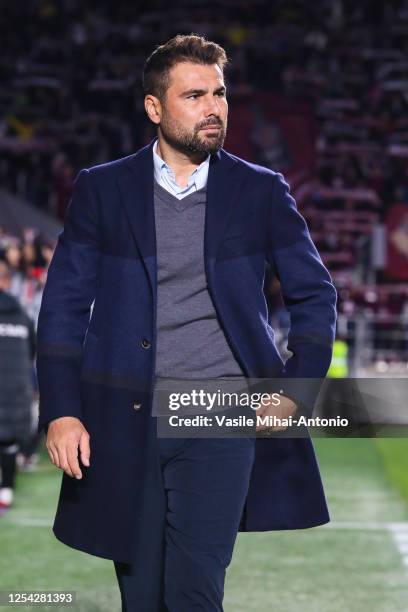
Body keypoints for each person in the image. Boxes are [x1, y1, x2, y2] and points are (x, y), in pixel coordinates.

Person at [36, 34, 337, 611]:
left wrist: (299, 387)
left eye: (220, 93)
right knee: (142, 596)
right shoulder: (101, 189)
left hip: (218, 410)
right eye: (194, 95)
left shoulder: (261, 191)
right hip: (124, 413)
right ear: (155, 108)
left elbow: (315, 294)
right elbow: (64, 307)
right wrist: (62, 410)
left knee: (196, 591)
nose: (213, 108)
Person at [0, 261, 36, 514]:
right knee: (9, 443)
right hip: (17, 392)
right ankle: (6, 492)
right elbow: (31, 352)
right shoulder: (22, 315)